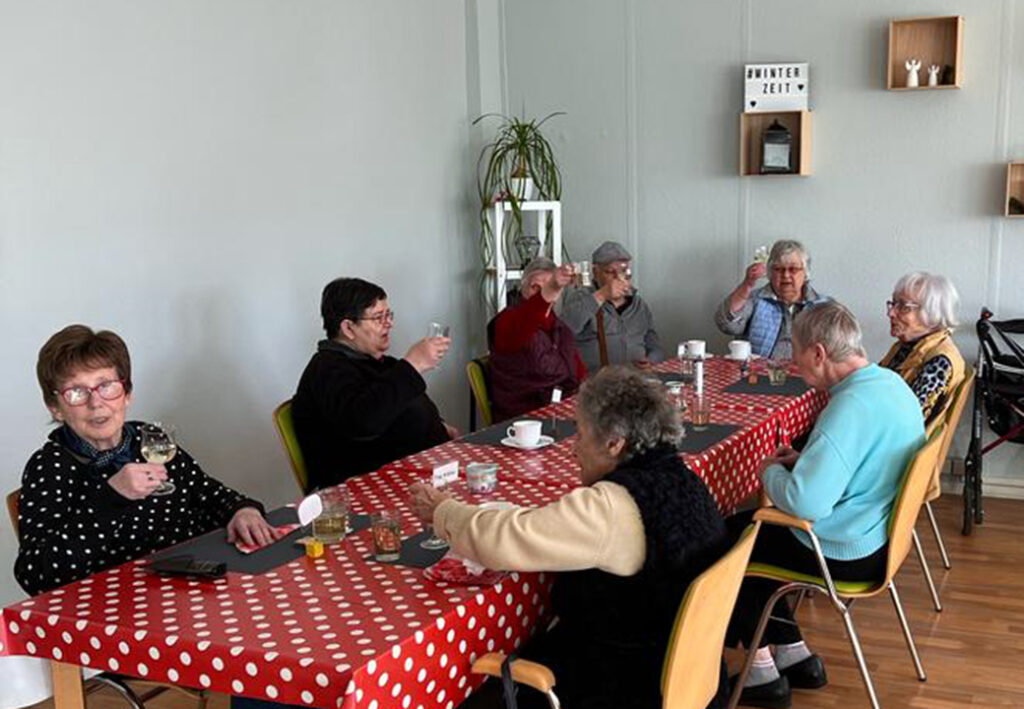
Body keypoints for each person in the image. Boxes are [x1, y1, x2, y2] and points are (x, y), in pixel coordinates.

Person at [410, 366, 728, 709]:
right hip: (692, 677)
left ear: (613, 443)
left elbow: (504, 541)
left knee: (473, 690)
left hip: (627, 684)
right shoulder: (686, 480)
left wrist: (444, 511)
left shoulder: (612, 507)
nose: (573, 450)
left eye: (580, 435)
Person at [727, 302, 925, 708]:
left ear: (818, 353)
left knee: (729, 541)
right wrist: (807, 464)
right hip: (876, 536)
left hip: (844, 549)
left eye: (796, 352)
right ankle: (793, 652)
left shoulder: (847, 408)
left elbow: (806, 503)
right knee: (761, 536)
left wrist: (768, 471)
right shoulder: (890, 384)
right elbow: (863, 462)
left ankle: (761, 676)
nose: (793, 362)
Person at [14, 325, 278, 597]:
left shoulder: (148, 439)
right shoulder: (50, 466)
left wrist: (240, 510)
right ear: (55, 407)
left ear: (127, 393)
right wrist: (113, 497)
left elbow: (205, 492)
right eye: (77, 393)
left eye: (106, 386)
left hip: (188, 593)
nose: (96, 403)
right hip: (115, 615)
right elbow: (36, 574)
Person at [291, 277, 455, 491]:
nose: (389, 323)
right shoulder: (327, 370)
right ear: (348, 328)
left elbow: (402, 403)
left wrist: (438, 426)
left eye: (389, 315)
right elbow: (363, 422)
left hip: (421, 473)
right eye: (379, 317)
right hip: (361, 492)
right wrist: (413, 364)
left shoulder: (378, 362)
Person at [488, 257, 586, 421]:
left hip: (561, 412)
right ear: (522, 288)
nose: (541, 293)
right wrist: (549, 290)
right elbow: (528, 318)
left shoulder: (561, 328)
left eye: (548, 287)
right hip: (524, 421)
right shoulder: (507, 321)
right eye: (535, 287)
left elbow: (579, 373)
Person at [560, 241, 664, 372]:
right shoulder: (581, 298)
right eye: (610, 272)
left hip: (636, 380)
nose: (619, 278)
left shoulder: (639, 304)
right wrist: (602, 295)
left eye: (624, 271)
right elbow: (563, 331)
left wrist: (651, 360)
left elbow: (655, 347)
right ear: (595, 273)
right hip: (596, 383)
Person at [715, 239, 828, 359]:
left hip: (806, 375)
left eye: (793, 269)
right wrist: (748, 284)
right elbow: (727, 325)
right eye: (778, 269)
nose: (785, 275)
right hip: (759, 374)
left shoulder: (823, 307)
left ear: (805, 273)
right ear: (769, 272)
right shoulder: (756, 299)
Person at [880, 272, 965, 426]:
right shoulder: (907, 345)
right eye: (893, 304)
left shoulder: (940, 361)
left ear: (932, 314)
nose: (891, 313)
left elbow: (907, 423)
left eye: (903, 307)